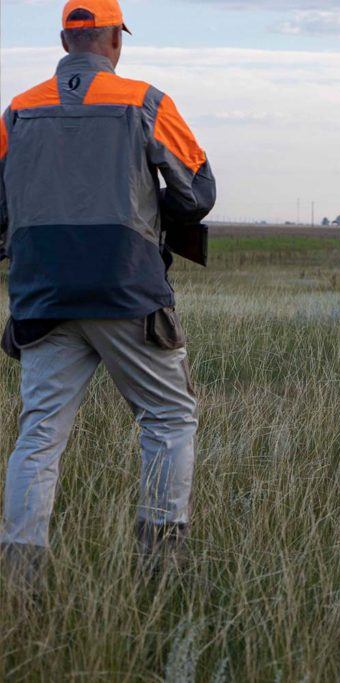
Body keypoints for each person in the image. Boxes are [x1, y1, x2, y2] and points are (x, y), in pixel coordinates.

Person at [0, 0, 216, 587]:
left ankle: (20, 578)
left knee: (39, 434)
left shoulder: (17, 112)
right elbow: (196, 191)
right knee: (169, 417)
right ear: (114, 41)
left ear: (64, 40)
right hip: (127, 289)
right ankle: (162, 566)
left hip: (42, 294)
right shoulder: (146, 101)